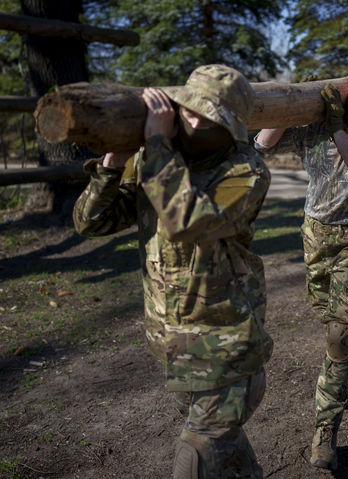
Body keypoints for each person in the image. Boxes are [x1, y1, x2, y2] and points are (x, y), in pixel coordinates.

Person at [73, 65, 273, 479]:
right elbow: (91, 223)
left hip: (227, 345)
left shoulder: (246, 171)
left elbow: (190, 222)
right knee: (224, 449)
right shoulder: (156, 157)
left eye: (210, 115)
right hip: (172, 342)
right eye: (190, 109)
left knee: (196, 456)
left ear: (232, 125)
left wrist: (158, 144)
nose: (196, 121)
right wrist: (112, 163)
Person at [254, 57, 348, 471]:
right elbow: (263, 145)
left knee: (338, 332)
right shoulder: (314, 124)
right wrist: (292, 105)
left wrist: (338, 127)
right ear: (347, 85)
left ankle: (325, 427)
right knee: (332, 322)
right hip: (314, 235)